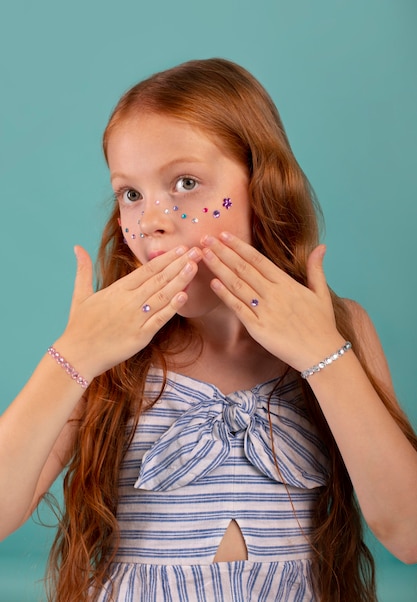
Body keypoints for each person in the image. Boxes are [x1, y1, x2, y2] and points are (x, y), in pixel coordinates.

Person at [0, 58, 416, 602]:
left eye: (186, 183)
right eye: (130, 193)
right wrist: (73, 355)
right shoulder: (110, 356)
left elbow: (408, 536)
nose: (151, 219)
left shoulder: (343, 331)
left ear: (262, 186)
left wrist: (323, 354)